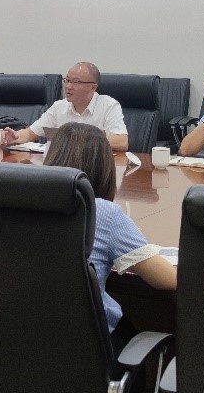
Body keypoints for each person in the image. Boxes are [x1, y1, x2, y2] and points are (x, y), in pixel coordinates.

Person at [43, 122, 177, 343]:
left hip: (21, 342)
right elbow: (167, 280)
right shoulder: (104, 212)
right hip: (85, 347)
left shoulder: (26, 205)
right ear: (104, 168)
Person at [2, 62, 129, 151]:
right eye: (67, 80)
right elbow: (31, 133)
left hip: (96, 167)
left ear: (93, 87)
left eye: (76, 82)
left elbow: (122, 141)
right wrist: (15, 137)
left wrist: (80, 140)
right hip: (63, 167)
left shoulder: (108, 105)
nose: (68, 86)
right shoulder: (59, 107)